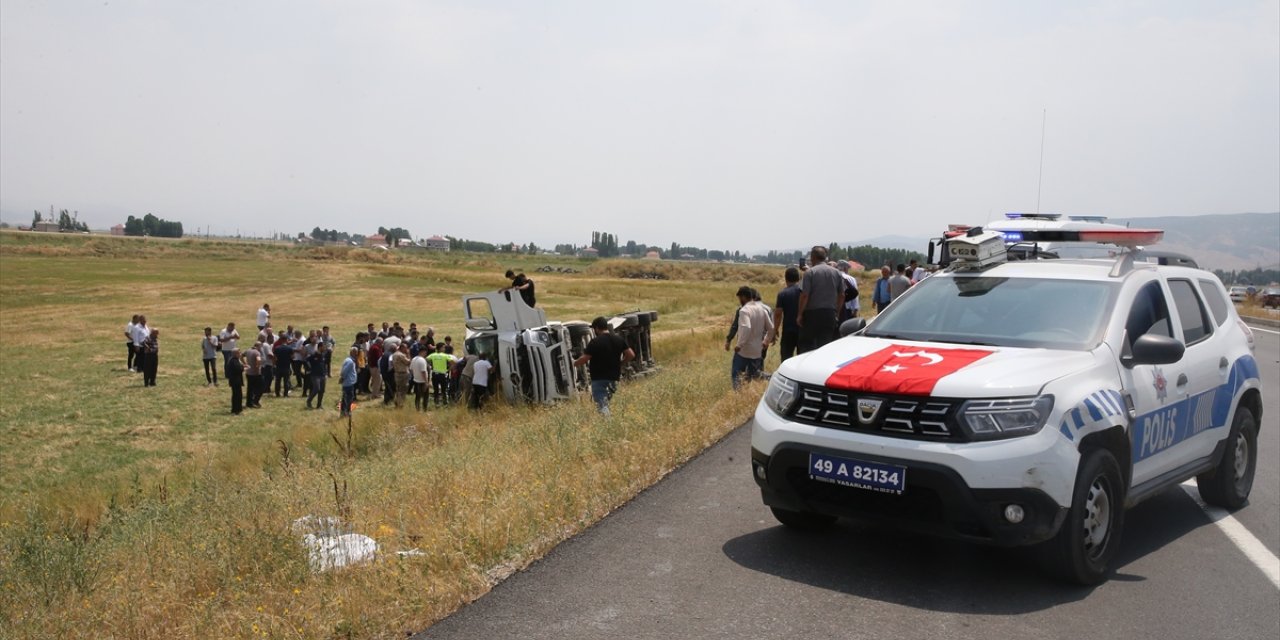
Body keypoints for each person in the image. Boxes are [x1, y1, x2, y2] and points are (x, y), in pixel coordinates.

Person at [573, 317, 636, 416]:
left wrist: (574, 363)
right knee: (608, 402)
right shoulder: (618, 339)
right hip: (614, 378)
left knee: (602, 405)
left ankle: (608, 424)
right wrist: (621, 363)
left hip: (599, 378)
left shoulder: (595, 342)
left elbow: (585, 358)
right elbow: (631, 354)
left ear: (597, 328)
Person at [796, 246, 845, 354]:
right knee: (825, 346)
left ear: (813, 257)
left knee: (807, 346)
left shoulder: (810, 273)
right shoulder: (837, 273)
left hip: (812, 314)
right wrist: (836, 312)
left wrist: (799, 314)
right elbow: (842, 295)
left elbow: (805, 295)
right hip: (829, 314)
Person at [731, 286, 773, 389]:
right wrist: (766, 341)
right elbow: (771, 328)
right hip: (757, 350)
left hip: (744, 350)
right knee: (755, 374)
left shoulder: (744, 311)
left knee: (736, 373)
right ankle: (772, 378)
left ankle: (738, 395)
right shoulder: (761, 309)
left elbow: (746, 327)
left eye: (740, 298)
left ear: (744, 297)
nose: (740, 301)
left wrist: (739, 344)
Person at [772, 267, 802, 362]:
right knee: (802, 358)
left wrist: (775, 329)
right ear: (798, 278)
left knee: (786, 358)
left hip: (788, 330)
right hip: (803, 329)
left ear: (786, 279)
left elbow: (778, 314)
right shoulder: (804, 292)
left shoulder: (783, 294)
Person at [307, 342, 328, 410]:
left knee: (322, 390)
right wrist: (309, 368)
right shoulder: (314, 354)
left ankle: (319, 405)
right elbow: (307, 360)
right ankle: (309, 401)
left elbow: (324, 365)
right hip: (315, 375)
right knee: (316, 389)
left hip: (322, 375)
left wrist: (326, 373)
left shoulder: (323, 355)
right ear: (320, 347)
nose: (325, 348)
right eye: (324, 347)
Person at [391, 344, 412, 409]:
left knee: (398, 389)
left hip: (397, 373)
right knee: (403, 389)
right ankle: (400, 403)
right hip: (402, 373)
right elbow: (408, 362)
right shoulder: (401, 355)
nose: (406, 349)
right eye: (405, 348)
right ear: (402, 348)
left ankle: (397, 401)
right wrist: (408, 354)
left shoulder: (394, 354)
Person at [339, 347, 358, 417]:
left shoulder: (349, 360)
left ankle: (344, 411)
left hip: (349, 382)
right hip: (348, 383)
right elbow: (344, 371)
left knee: (346, 398)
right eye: (356, 353)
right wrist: (342, 378)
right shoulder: (350, 361)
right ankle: (346, 411)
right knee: (348, 398)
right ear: (352, 353)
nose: (357, 354)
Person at [244, 342, 263, 408]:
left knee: (250, 389)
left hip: (248, 373)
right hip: (255, 373)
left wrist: (244, 363)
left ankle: (249, 403)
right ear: (259, 346)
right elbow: (259, 360)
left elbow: (241, 355)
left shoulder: (248, 350)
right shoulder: (257, 352)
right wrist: (258, 366)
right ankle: (255, 401)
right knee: (260, 388)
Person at [226, 349, 245, 415]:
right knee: (237, 396)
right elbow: (238, 369)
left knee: (237, 395)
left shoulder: (233, 360)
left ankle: (236, 409)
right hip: (235, 381)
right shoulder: (234, 361)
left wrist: (242, 366)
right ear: (236, 354)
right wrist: (243, 368)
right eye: (239, 353)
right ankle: (237, 410)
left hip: (235, 380)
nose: (240, 354)